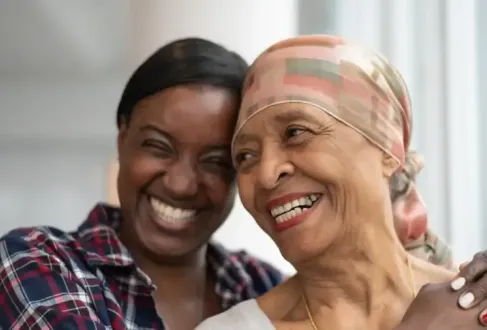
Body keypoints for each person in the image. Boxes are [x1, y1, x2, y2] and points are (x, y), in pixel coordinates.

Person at [0, 36, 464, 330]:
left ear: (389, 150)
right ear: (121, 139)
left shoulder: (253, 282)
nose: (181, 184)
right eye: (246, 155)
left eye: (219, 160)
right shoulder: (39, 264)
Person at [195, 34, 487, 330]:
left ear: (388, 148)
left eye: (295, 132)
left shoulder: (474, 303)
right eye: (245, 156)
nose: (267, 173)